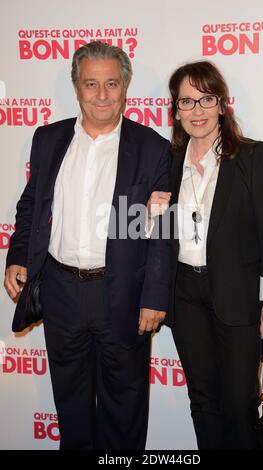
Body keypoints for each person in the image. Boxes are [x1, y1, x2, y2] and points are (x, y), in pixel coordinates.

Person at [4, 41, 171, 450]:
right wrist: (18, 257)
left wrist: (153, 295)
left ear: (125, 86)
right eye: (90, 84)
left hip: (122, 294)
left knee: (124, 406)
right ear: (76, 87)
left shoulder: (151, 148)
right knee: (72, 406)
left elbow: (160, 231)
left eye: (111, 83)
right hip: (60, 292)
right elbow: (31, 205)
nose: (101, 95)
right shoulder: (48, 139)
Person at [160, 61, 263, 449]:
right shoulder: (167, 161)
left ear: (221, 104)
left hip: (237, 295)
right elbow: (150, 232)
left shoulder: (252, 157)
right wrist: (152, 214)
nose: (197, 110)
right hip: (185, 294)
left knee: (238, 404)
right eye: (187, 101)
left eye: (206, 99)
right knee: (202, 401)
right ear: (176, 110)